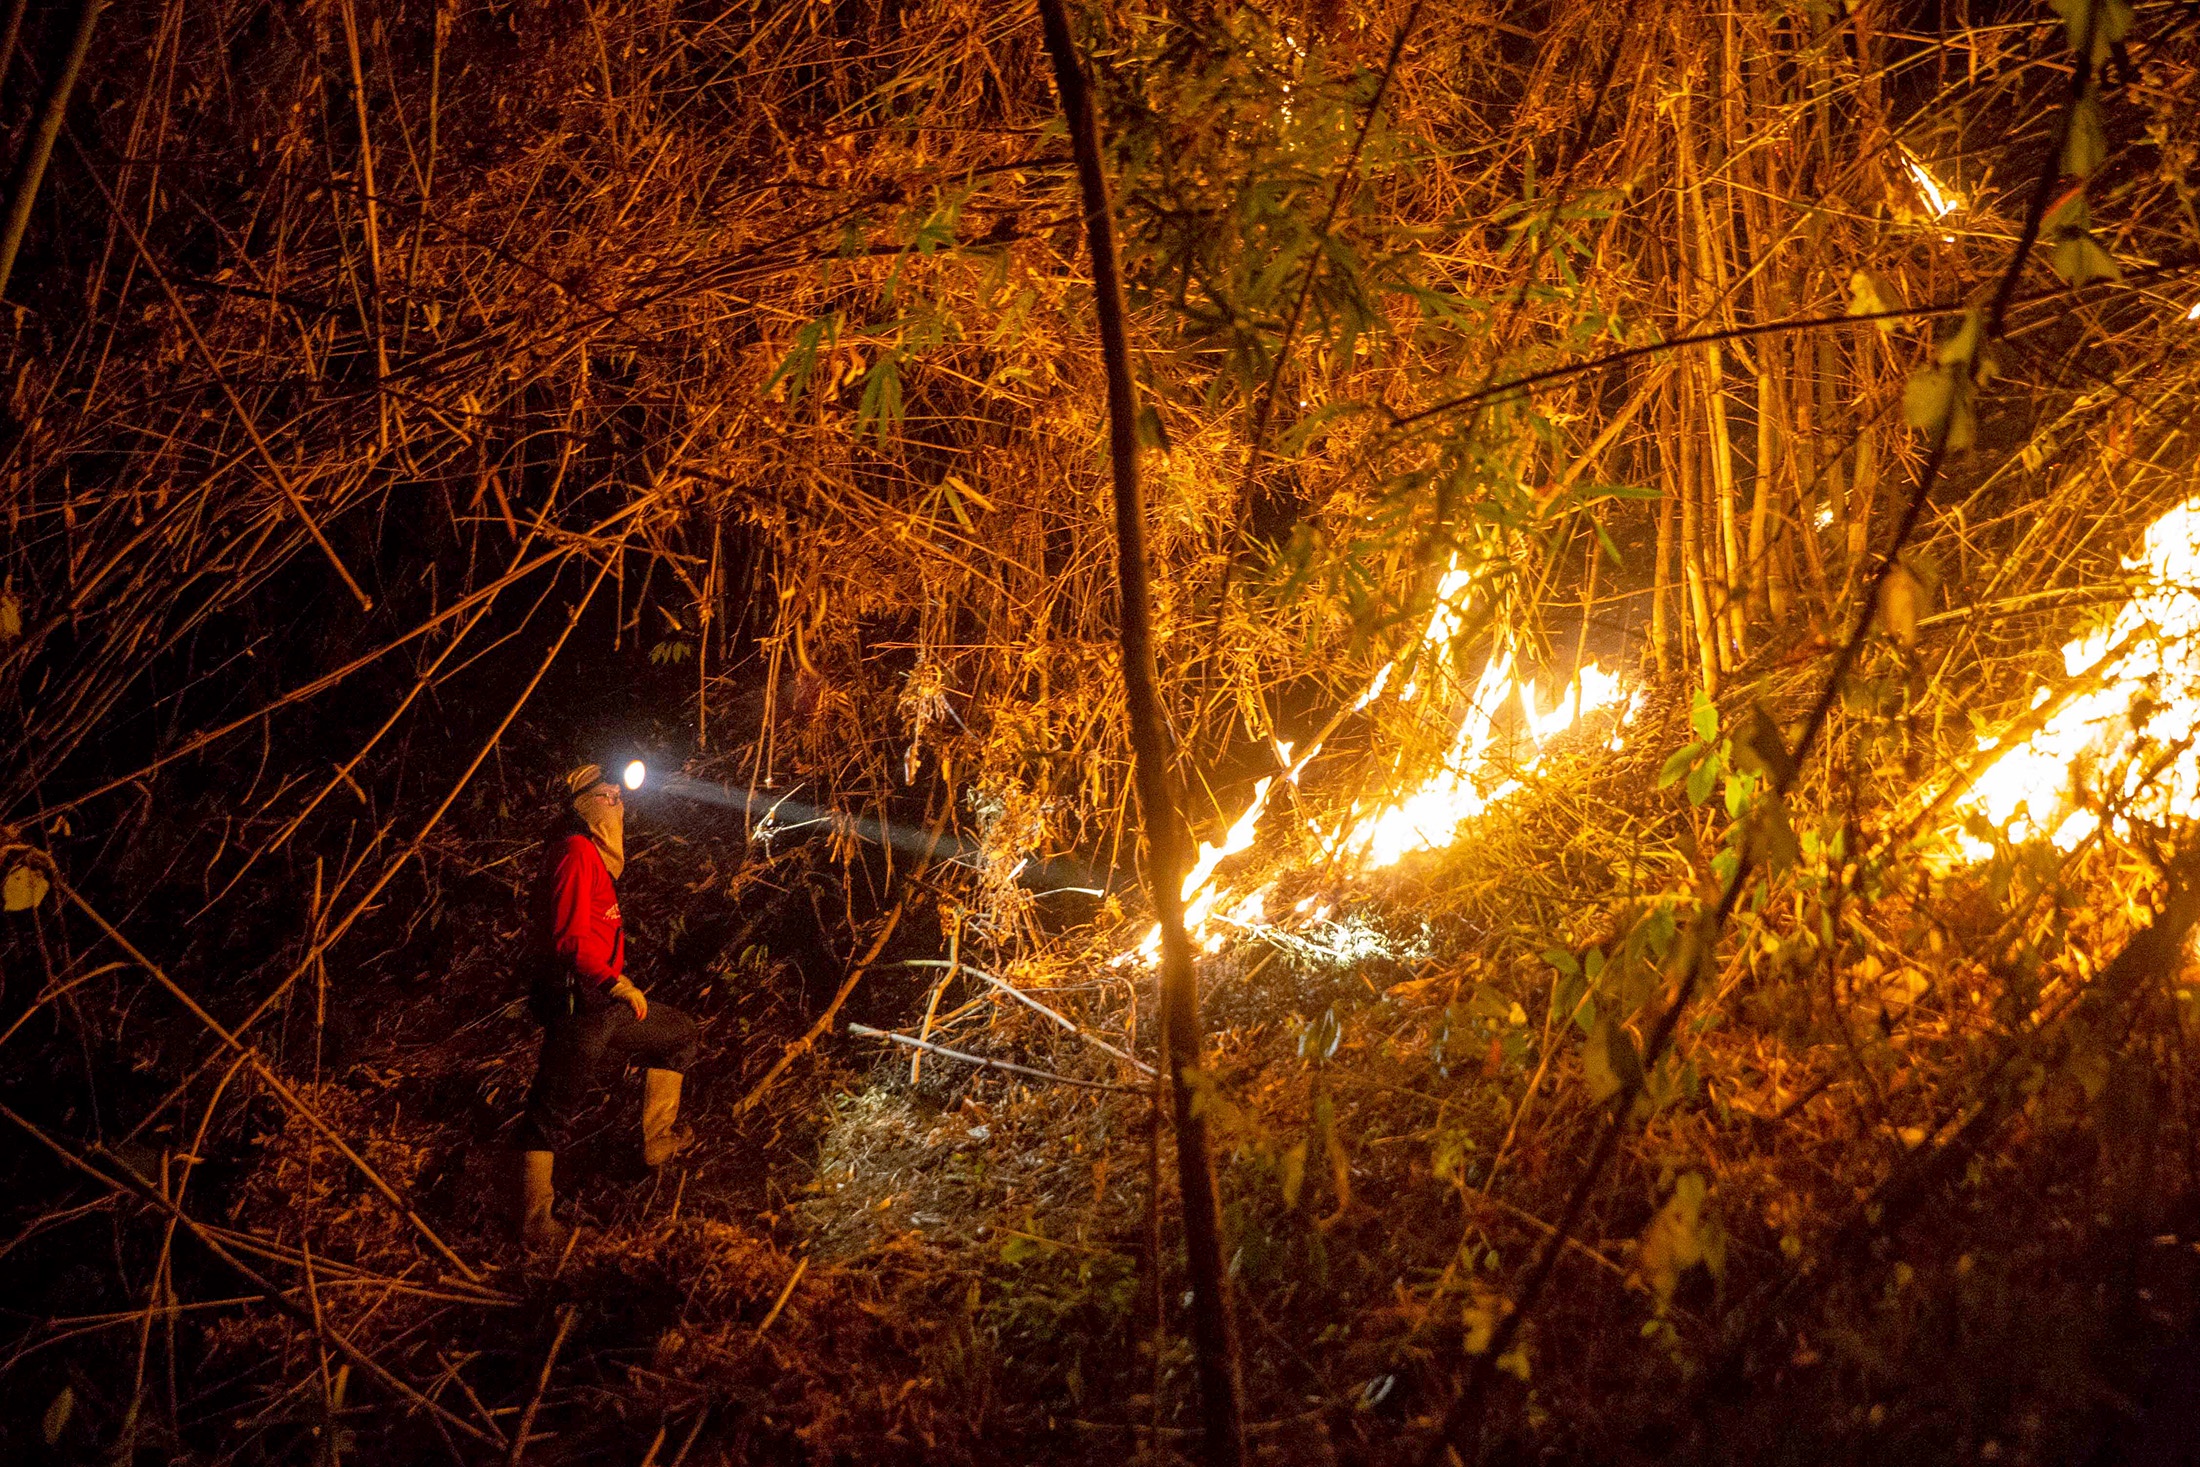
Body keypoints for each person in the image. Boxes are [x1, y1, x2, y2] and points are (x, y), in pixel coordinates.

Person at [517, 763, 700, 1248]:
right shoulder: (575, 852)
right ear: (583, 807)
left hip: (601, 1003)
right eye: (607, 798)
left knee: (678, 1033)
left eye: (620, 799)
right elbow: (569, 938)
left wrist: (617, 981)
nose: (616, 807)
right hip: (580, 1003)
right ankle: (534, 1224)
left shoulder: (592, 858)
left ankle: (657, 1144)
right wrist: (613, 982)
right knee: (550, 1112)